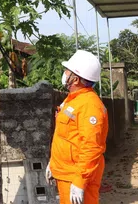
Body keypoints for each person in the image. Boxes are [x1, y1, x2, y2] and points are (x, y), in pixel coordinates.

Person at [46, 50, 109, 204]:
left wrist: (80, 181)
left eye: (67, 71)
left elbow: (92, 146)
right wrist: (53, 163)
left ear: (75, 78)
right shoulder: (73, 99)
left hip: (76, 176)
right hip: (66, 173)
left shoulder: (89, 105)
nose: (64, 74)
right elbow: (65, 136)